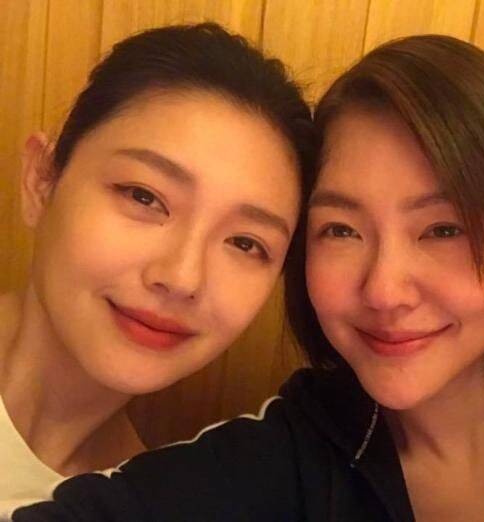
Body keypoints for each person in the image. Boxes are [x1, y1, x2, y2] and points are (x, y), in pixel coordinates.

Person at [9, 35, 484, 522]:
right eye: (340, 230)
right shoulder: (289, 452)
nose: (385, 291)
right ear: (41, 178)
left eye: (444, 229)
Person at [0, 22, 315, 507]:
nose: (182, 277)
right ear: (41, 180)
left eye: (245, 243)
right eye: (144, 196)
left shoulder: (136, 502)